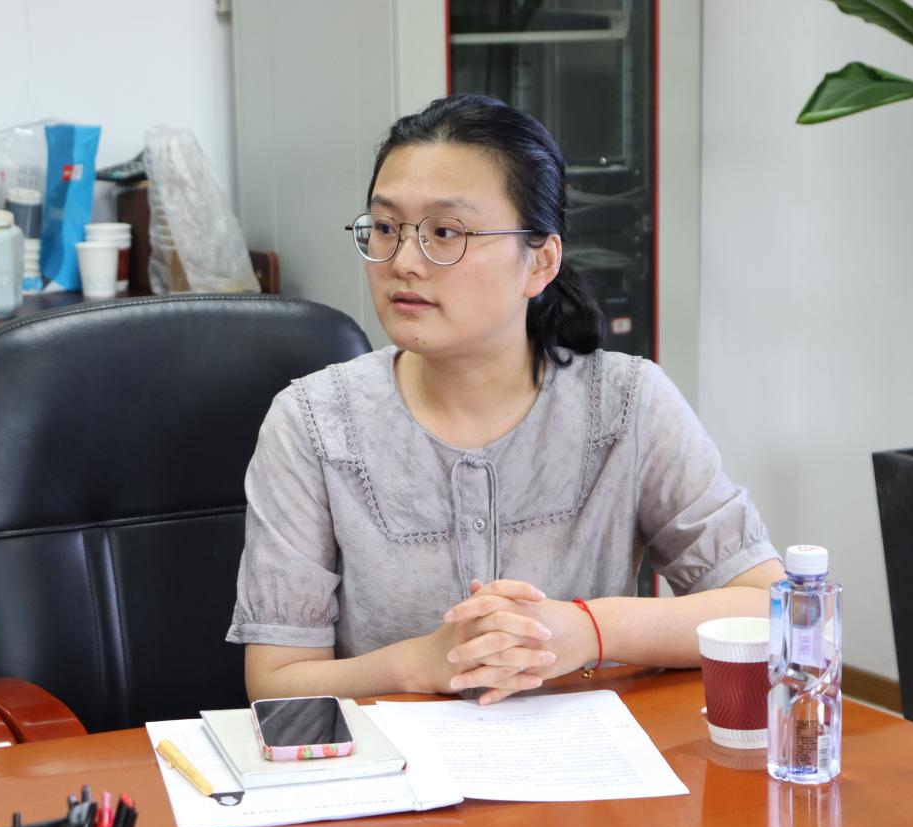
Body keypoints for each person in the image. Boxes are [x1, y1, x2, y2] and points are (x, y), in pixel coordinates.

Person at [227, 93, 783, 705]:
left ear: (539, 262)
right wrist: (422, 663)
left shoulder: (627, 403)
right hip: (395, 765)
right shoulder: (312, 423)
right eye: (385, 228)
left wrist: (587, 630)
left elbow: (773, 610)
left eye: (444, 233)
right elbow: (276, 681)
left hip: (591, 759)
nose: (404, 261)